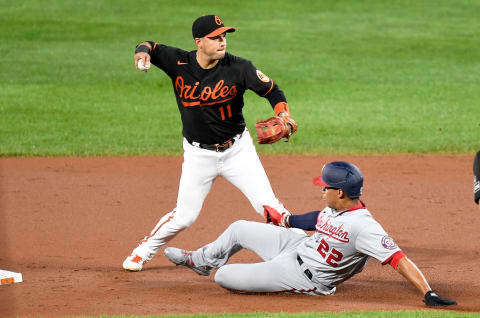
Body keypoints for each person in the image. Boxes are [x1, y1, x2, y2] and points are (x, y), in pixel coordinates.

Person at [123, 14, 298, 271]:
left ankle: (303, 251)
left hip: (238, 151)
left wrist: (284, 115)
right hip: (198, 155)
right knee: (184, 216)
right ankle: (143, 250)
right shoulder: (178, 61)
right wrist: (141, 53)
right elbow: (149, 44)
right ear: (199, 42)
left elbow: (273, 90)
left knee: (270, 207)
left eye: (224, 36)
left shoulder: (240, 68)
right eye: (215, 37)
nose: (222, 41)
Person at [164, 161, 457, 307]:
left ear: (340, 192)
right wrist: (287, 220)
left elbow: (398, 259)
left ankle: (216, 268)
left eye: (326, 186)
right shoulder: (336, 208)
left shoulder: (365, 227)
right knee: (239, 227)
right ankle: (202, 260)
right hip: (298, 245)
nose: (322, 189)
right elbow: (317, 219)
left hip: (306, 277)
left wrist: (428, 293)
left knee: (225, 276)